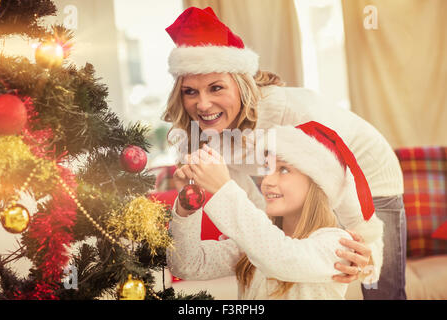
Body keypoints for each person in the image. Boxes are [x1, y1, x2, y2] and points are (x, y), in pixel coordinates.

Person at [163, 6, 406, 299]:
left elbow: (333, 173)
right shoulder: (211, 137)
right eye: (191, 91)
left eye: (216, 88)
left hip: (367, 176)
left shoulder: (291, 112)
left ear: (241, 87)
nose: (202, 105)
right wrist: (191, 207)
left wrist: (362, 245)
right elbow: (255, 221)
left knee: (378, 286)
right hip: (308, 195)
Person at [167, 122, 384, 299]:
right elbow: (187, 265)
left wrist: (225, 188)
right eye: (266, 169)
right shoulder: (255, 242)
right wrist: (188, 205)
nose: (267, 181)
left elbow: (281, 257)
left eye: (283, 169)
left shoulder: (337, 244)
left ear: (317, 182)